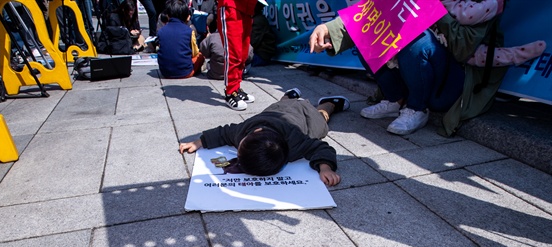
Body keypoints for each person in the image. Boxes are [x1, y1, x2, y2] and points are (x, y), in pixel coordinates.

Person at [309, 5, 511, 136]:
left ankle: (417, 108)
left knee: (415, 38)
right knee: (367, 33)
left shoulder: (485, 3)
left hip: (453, 80)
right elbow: (371, 11)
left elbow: (462, 48)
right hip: (414, 71)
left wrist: (431, 6)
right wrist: (327, 29)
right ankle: (395, 99)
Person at [178, 89, 350, 187]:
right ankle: (290, 95)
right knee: (281, 102)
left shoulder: (296, 142)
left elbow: (322, 148)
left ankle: (329, 103)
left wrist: (325, 168)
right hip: (278, 109)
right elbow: (223, 132)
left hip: (306, 115)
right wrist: (197, 142)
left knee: (321, 121)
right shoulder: (242, 132)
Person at [216, 0, 258, 111]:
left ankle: (236, 88)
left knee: (243, 53)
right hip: (231, 5)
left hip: (248, 8)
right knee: (233, 52)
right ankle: (230, 91)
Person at [157, 0, 205, 79]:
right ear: (186, 16)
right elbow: (195, 53)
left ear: (168, 15)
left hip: (165, 72)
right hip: (185, 72)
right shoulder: (189, 31)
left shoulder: (161, 30)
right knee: (200, 56)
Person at [199, 16, 253, 80]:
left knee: (209, 62)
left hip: (216, 73)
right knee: (248, 64)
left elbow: (203, 51)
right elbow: (250, 55)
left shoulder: (212, 37)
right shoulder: (240, 37)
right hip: (236, 73)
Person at [250, 1, 276, 67]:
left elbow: (253, 42)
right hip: (258, 53)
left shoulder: (258, 20)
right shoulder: (255, 19)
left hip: (261, 56)